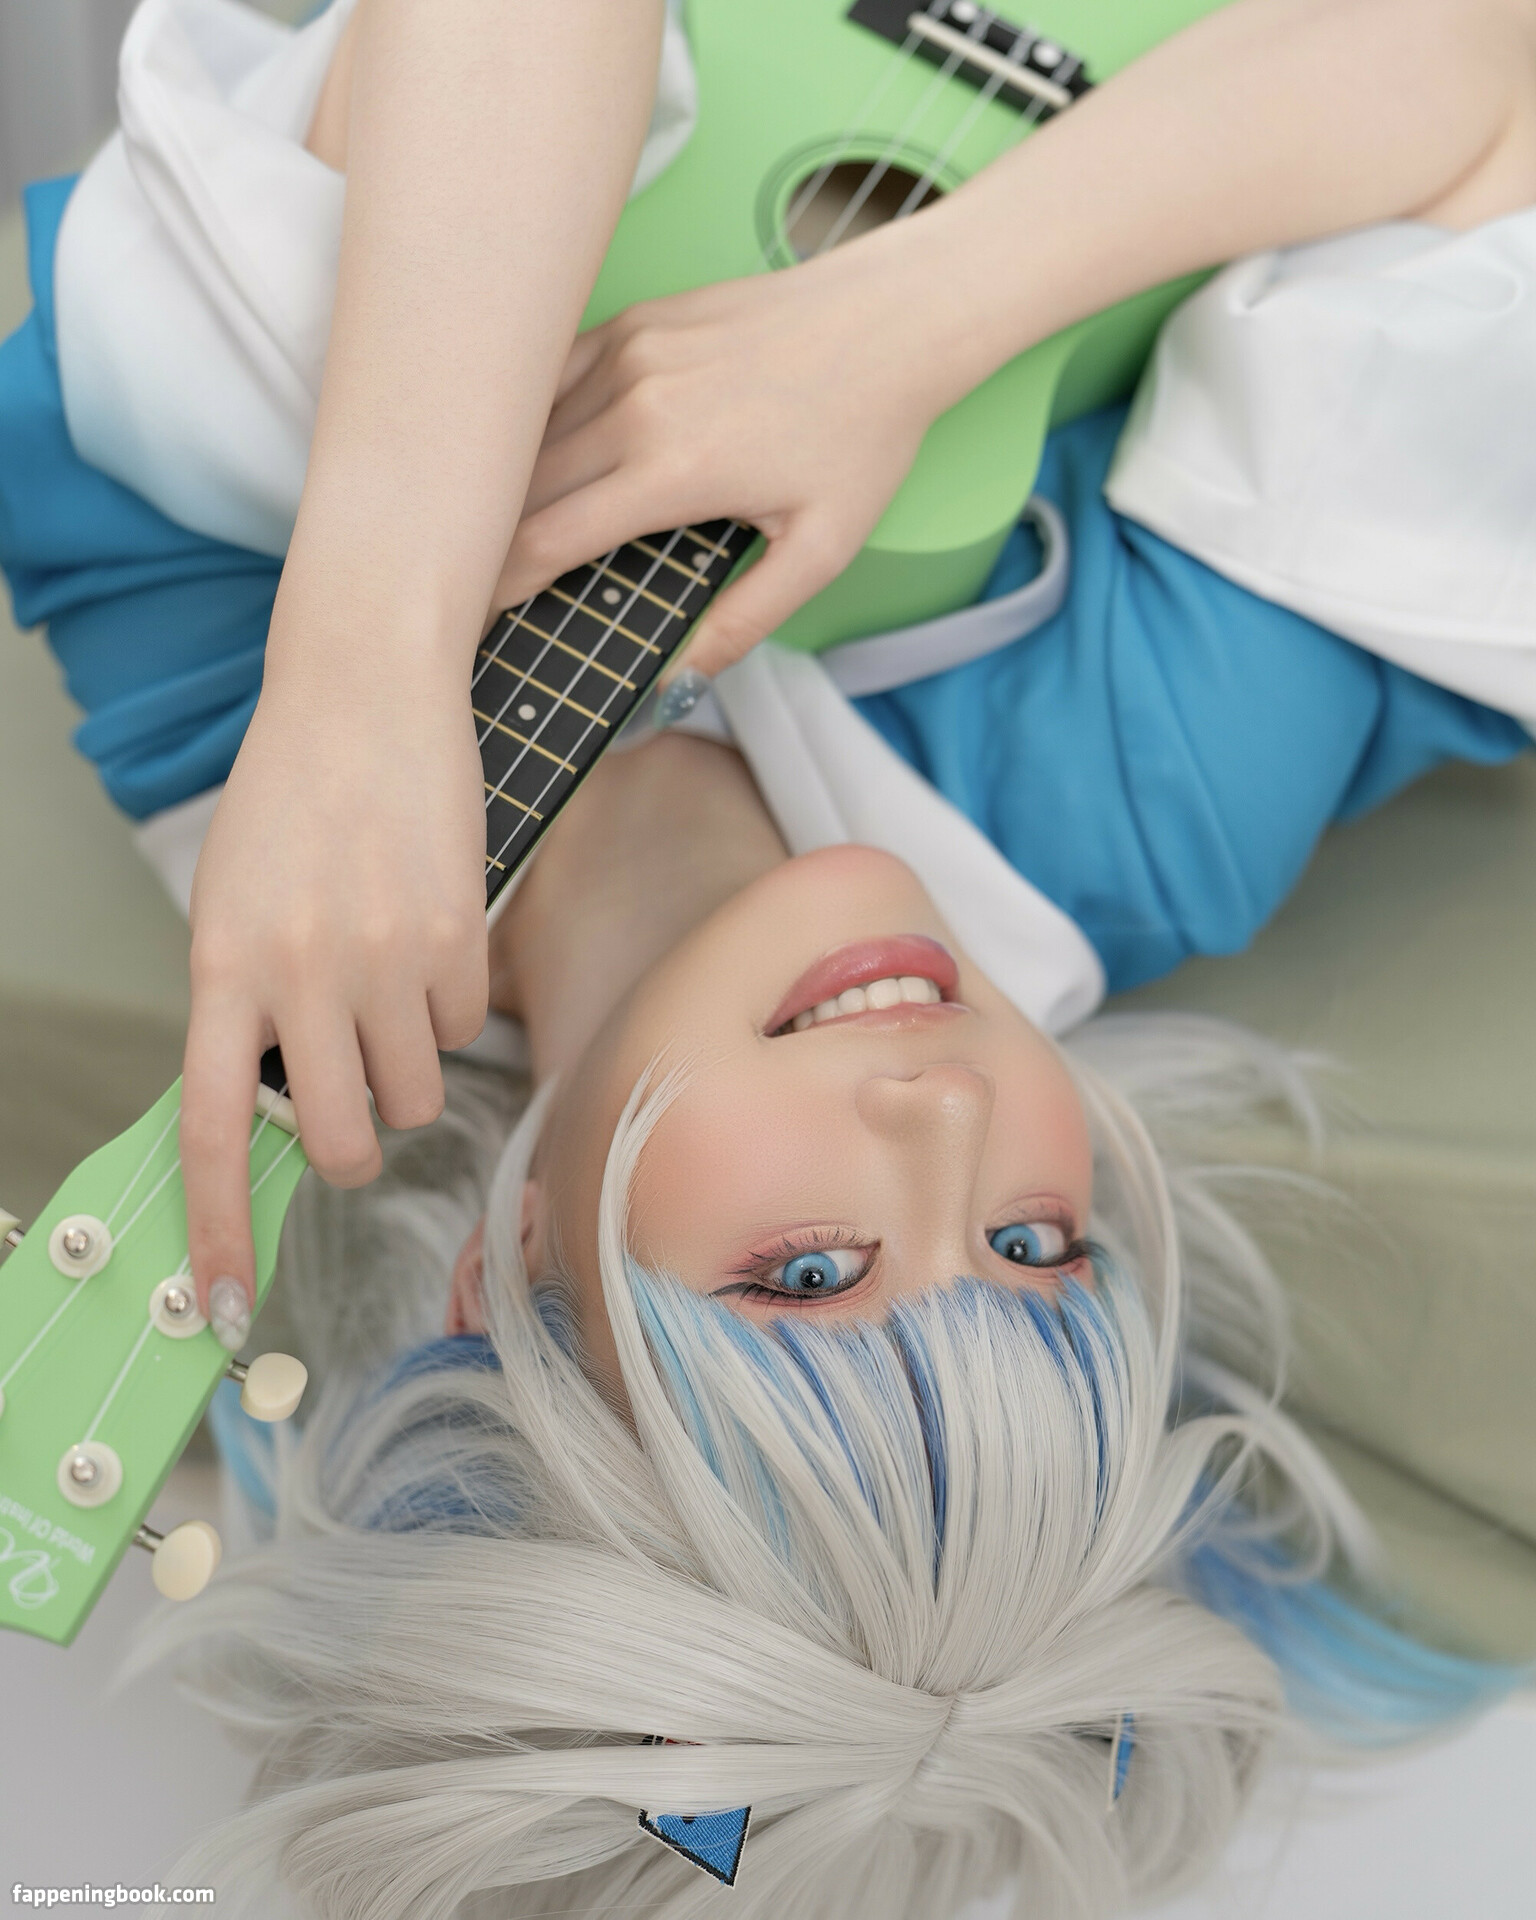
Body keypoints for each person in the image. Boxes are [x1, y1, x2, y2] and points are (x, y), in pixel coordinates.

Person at [0, 0, 1531, 1910]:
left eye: (810, 1272)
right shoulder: (1147, 800)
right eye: (1037, 1246)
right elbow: (1479, 71)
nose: (947, 1114)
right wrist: (912, 318)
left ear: (512, 1274)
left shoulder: (229, 701)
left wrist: (367, 645)